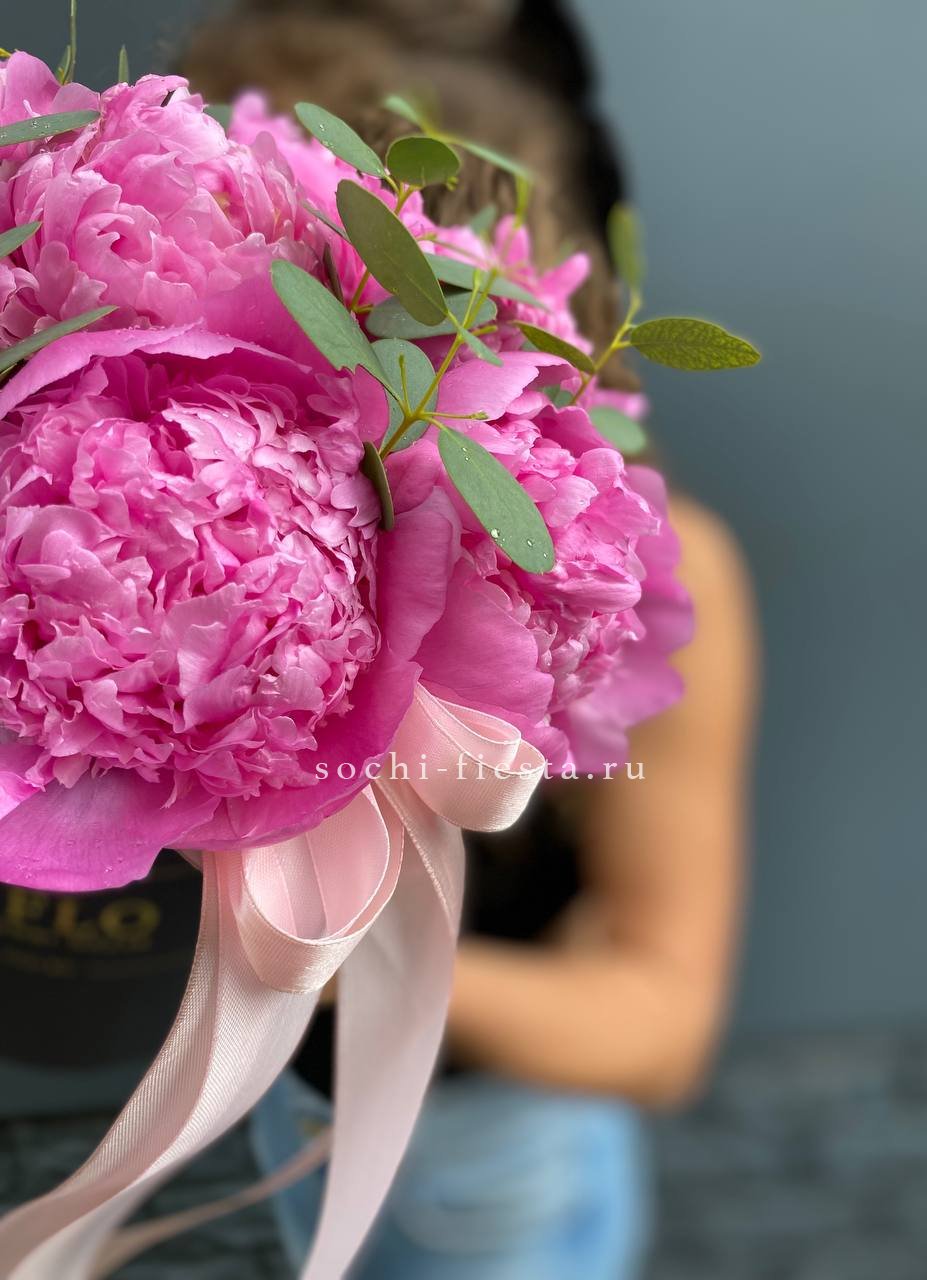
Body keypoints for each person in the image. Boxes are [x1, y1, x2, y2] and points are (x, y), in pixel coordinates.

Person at [182, 3, 761, 1276]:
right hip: (143, 1134)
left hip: (470, 1159)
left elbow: (660, 1023)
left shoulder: (654, 576)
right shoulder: (99, 523)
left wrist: (307, 952)